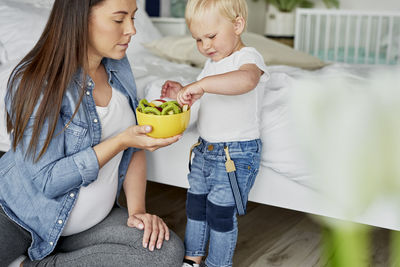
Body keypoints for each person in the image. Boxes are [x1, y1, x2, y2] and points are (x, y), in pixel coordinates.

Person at [0, 0, 185, 266]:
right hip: (18, 218)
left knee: (164, 252)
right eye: (119, 19)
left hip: (87, 228)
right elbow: (48, 180)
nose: (132, 30)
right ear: (80, 19)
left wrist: (138, 212)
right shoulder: (34, 81)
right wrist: (120, 141)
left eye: (133, 18)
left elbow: (133, 148)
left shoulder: (118, 66)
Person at [161, 1, 270, 266]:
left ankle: (218, 263)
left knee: (221, 214)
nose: (205, 46)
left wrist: (201, 84)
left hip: (235, 155)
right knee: (196, 206)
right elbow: (204, 97)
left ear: (237, 25)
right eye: (198, 39)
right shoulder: (211, 64)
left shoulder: (248, 58)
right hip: (205, 151)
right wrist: (181, 92)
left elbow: (245, 81)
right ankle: (192, 257)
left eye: (211, 36)